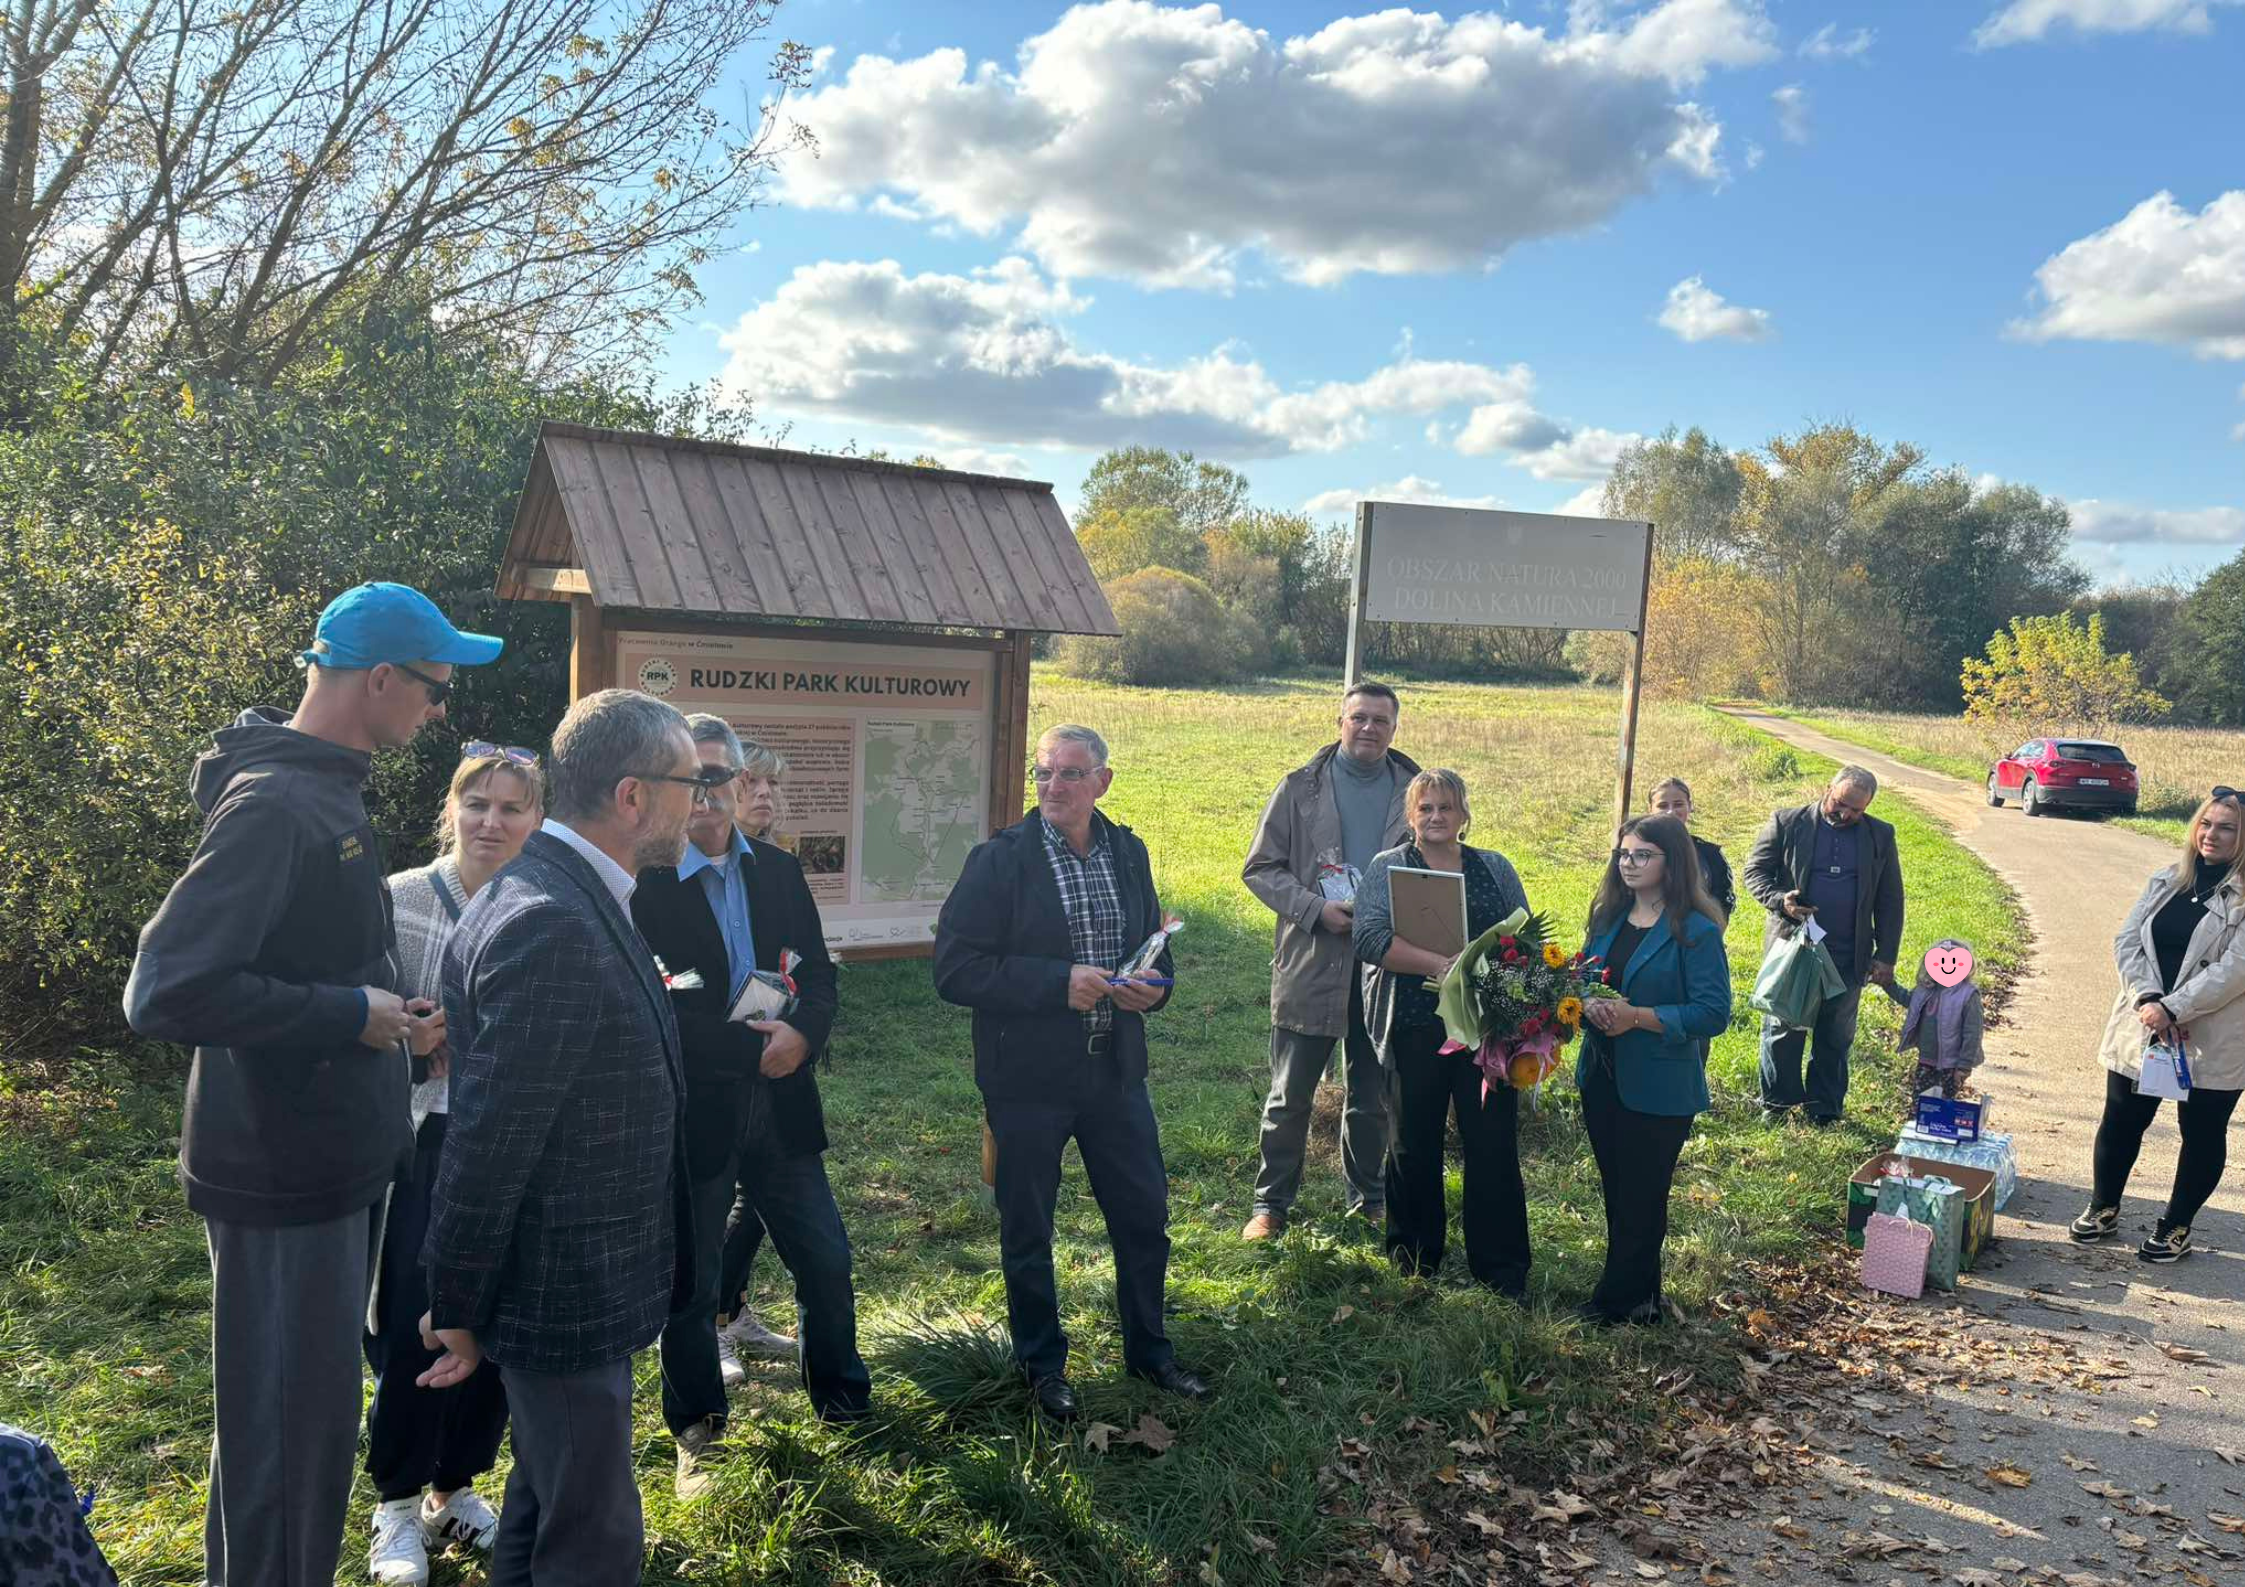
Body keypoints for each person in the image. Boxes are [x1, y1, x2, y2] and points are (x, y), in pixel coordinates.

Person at [122, 582, 496, 1587]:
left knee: (300, 1427)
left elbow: (306, 957)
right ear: (380, 678)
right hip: (281, 1179)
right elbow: (165, 989)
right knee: (289, 1437)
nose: (437, 710)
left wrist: (392, 1023)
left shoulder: (326, 788)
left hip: (331, 1161)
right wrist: (349, 1015)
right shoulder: (276, 804)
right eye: (432, 688)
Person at [418, 689, 716, 1584]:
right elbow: (489, 1137)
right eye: (688, 785)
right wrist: (459, 1302)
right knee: (590, 1532)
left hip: (578, 1278)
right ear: (632, 796)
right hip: (563, 1288)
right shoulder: (551, 918)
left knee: (547, 1500)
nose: (699, 803)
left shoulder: (570, 889)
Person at [933, 725, 1206, 1420]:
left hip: (1114, 1072)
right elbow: (955, 970)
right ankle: (1041, 1367)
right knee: (1028, 1228)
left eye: (1070, 774)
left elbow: (1154, 951)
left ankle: (1150, 1352)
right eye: (1043, 773)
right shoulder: (999, 861)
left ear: (1102, 782)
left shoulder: (1128, 851)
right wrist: (1057, 982)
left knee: (1143, 1217)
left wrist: (1157, 987)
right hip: (1026, 1080)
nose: (1053, 786)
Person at [635, 717, 868, 1501]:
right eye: (692, 777)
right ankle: (697, 1430)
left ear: (741, 781)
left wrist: (804, 1033)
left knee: (827, 1264)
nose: (707, 795)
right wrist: (750, 1050)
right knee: (692, 1285)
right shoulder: (644, 880)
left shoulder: (776, 868)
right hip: (695, 1112)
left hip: (783, 1106)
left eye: (720, 777)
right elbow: (651, 1010)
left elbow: (822, 975)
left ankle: (844, 1404)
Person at [364, 744, 543, 1584]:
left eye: (511, 807)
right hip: (423, 1141)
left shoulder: (544, 903)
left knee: (497, 1319)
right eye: (477, 803)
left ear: (536, 819)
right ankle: (396, 1500)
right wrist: (410, 1042)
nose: (491, 821)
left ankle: (456, 1485)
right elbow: (354, 1026)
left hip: (516, 1144)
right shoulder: (397, 899)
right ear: (451, 809)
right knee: (419, 1314)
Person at [1238, 682, 1418, 1240]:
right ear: (1339, 721)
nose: (1368, 729)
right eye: (1358, 718)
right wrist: (1316, 909)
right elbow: (1261, 868)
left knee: (1373, 1095)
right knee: (1290, 1094)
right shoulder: (1297, 789)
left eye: (1380, 721)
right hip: (1312, 958)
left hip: (1385, 965)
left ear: (1394, 728)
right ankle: (1270, 1205)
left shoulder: (1418, 792)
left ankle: (1367, 1199)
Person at [1353, 769, 1532, 1297]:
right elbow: (1368, 937)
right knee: (1412, 1141)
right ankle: (1414, 1260)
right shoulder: (1388, 868)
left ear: (1463, 815)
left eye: (1446, 809)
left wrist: (1484, 969)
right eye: (1425, 808)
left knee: (1492, 1143)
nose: (1436, 818)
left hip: (1484, 1027)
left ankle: (1501, 1271)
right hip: (1413, 1024)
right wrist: (1441, 963)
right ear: (1411, 816)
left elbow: (1520, 934)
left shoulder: (1493, 867)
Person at [2071, 790, 2245, 1262]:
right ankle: (2104, 1206)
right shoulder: (2167, 880)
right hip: (2144, 1023)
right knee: (2122, 1119)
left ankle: (2176, 1225)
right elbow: (2127, 939)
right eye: (2207, 823)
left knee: (2203, 1133)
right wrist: (2148, 999)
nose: (2211, 834)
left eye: (2227, 827)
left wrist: (2175, 1009)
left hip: (2212, 1035)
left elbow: (2235, 970)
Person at [1576, 815, 1731, 1326]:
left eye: (1642, 855)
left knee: (1644, 1191)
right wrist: (1588, 1003)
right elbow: (1581, 978)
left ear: (1672, 863)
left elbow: (1713, 1013)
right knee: (1619, 1190)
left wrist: (1637, 1018)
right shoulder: (1606, 918)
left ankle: (1614, 1303)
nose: (1629, 863)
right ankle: (1641, 1296)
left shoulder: (1696, 930)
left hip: (1661, 1084)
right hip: (1601, 1073)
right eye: (1624, 854)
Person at [1742, 766, 1904, 1125]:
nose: (1845, 814)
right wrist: (1780, 899)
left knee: (1835, 1035)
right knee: (1783, 1028)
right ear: (1827, 789)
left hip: (1849, 952)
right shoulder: (1787, 823)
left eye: (1856, 810)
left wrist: (1886, 956)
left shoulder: (1880, 835)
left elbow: (1890, 899)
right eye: (1840, 803)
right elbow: (1754, 872)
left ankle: (1824, 1111)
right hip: (1792, 949)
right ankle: (1778, 1105)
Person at [712, 739, 800, 1369]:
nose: (764, 794)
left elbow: (804, 960)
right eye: (751, 784)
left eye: (772, 785)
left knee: (763, 1197)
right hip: (712, 1070)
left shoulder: (777, 867)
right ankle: (710, 1320)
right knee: (727, 1199)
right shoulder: (673, 872)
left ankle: (732, 1311)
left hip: (776, 1060)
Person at [1877, 939, 1986, 1101]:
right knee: (1921, 1102)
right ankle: (1916, 1123)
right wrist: (1888, 985)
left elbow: (1973, 1033)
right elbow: (1907, 999)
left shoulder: (1967, 996)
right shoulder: (1926, 990)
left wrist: (1964, 1065)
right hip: (1926, 1060)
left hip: (1951, 1064)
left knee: (1942, 1106)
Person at [1648, 777, 1736, 922]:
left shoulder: (1710, 854)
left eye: (1678, 804)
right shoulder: (1636, 852)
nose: (1670, 812)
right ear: (1650, 809)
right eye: (1662, 806)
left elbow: (1724, 903)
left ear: (1690, 806)